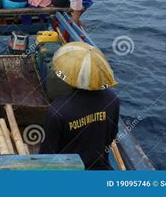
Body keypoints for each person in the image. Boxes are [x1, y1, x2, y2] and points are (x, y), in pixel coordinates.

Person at [40, 42, 119, 170]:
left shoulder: (57, 110)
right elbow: (111, 136)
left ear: (70, 74)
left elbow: (47, 155)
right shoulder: (112, 100)